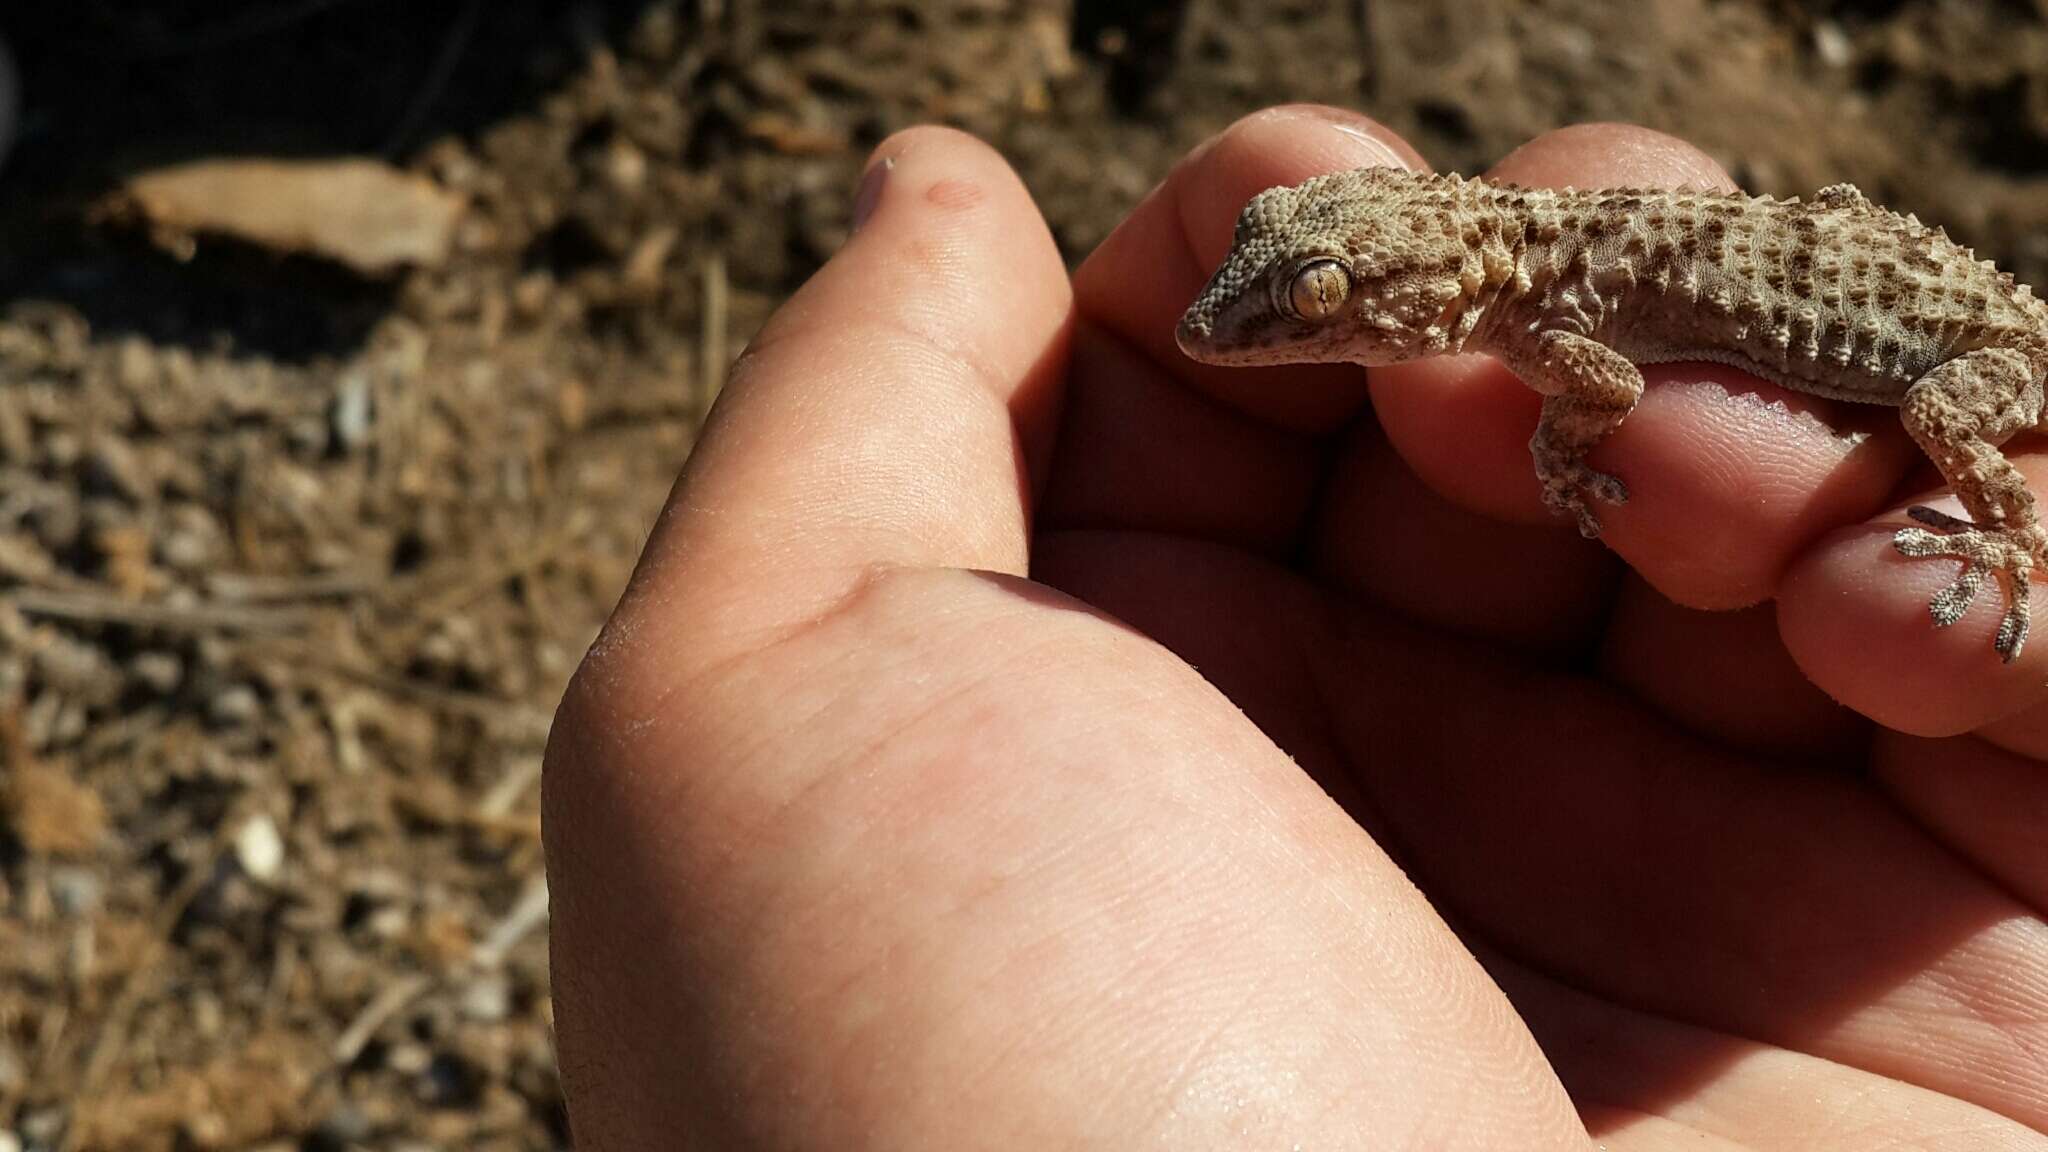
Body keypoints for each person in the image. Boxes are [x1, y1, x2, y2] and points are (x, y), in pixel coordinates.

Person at [541, 107, 2048, 1148]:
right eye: (1289, 270)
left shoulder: (1544, 326)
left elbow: (1598, 401)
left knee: (1920, 419)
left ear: (1419, 290)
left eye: (1315, 298)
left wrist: (1558, 456)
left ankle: (2015, 531)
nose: (1249, 326)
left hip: (1968, 353)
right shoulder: (1519, 285)